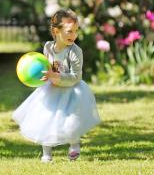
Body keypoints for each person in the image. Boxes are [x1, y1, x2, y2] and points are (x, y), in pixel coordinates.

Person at [12, 9, 101, 162]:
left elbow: (76, 76)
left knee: (70, 119)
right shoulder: (48, 47)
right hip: (51, 89)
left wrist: (56, 76)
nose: (73, 35)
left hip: (71, 89)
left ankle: (74, 145)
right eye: (69, 31)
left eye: (76, 31)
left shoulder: (74, 51)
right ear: (56, 31)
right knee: (45, 118)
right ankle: (46, 154)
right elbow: (46, 65)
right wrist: (44, 76)